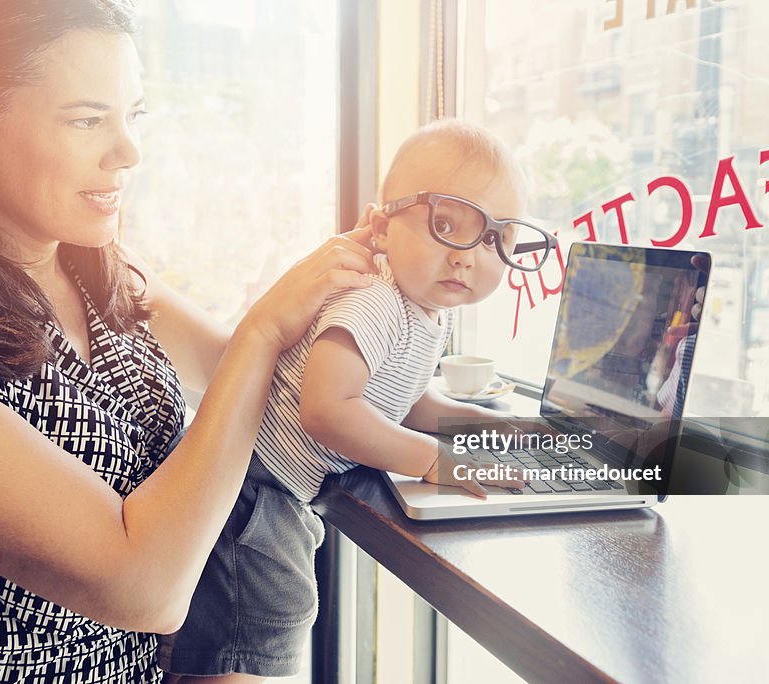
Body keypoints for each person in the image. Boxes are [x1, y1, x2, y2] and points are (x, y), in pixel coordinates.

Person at [0, 1, 376, 682]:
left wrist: (394, 309)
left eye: (133, 115)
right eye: (87, 120)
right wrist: (264, 328)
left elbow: (277, 386)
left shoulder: (104, 273)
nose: (129, 151)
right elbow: (144, 587)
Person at [167, 119, 558, 680]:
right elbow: (327, 408)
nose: (467, 256)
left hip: (260, 486)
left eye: (497, 239)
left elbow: (399, 397)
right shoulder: (376, 300)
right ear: (380, 226)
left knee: (243, 632)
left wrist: (479, 425)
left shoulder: (422, 310)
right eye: (446, 224)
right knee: (254, 633)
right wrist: (432, 460)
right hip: (252, 488)